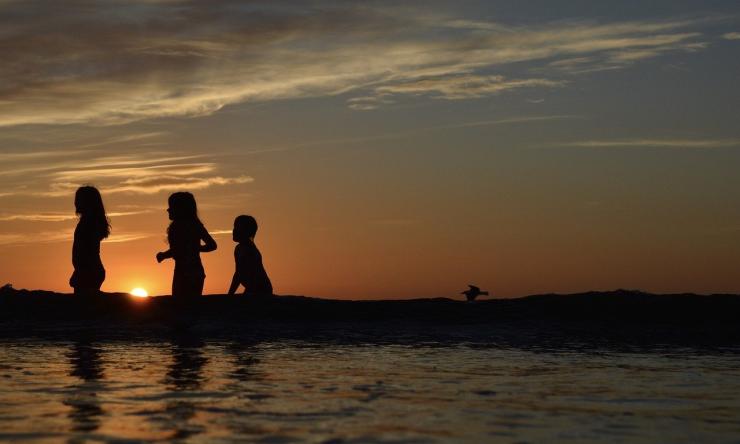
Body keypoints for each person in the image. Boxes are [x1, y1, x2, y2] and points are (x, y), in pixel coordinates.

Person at [156, 192, 217, 297]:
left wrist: (164, 255)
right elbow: (179, 249)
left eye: (171, 207)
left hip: (189, 272)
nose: (168, 210)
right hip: (188, 271)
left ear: (181, 209)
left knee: (182, 306)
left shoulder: (186, 226)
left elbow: (211, 245)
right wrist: (196, 248)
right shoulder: (194, 225)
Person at [70, 186, 110, 296]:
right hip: (89, 270)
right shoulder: (89, 223)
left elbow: (86, 251)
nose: (75, 202)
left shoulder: (88, 224)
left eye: (79, 199)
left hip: (88, 270)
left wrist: (80, 271)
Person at [228, 215, 272, 296]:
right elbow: (238, 273)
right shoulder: (238, 248)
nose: (233, 230)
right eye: (234, 227)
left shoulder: (249, 250)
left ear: (246, 232)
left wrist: (230, 294)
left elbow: (252, 276)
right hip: (252, 288)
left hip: (261, 289)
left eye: (237, 228)